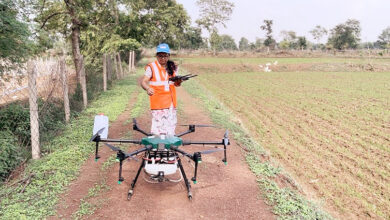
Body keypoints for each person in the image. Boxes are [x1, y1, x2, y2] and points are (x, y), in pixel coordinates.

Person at [141, 43, 182, 136]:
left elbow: (176, 84)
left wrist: (179, 81)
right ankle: (157, 149)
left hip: (171, 103)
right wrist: (147, 88)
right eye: (160, 56)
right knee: (158, 129)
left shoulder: (173, 67)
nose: (162, 58)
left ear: (168, 56)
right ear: (156, 56)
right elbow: (143, 82)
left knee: (170, 128)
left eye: (165, 56)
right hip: (158, 103)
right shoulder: (151, 67)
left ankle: (169, 149)